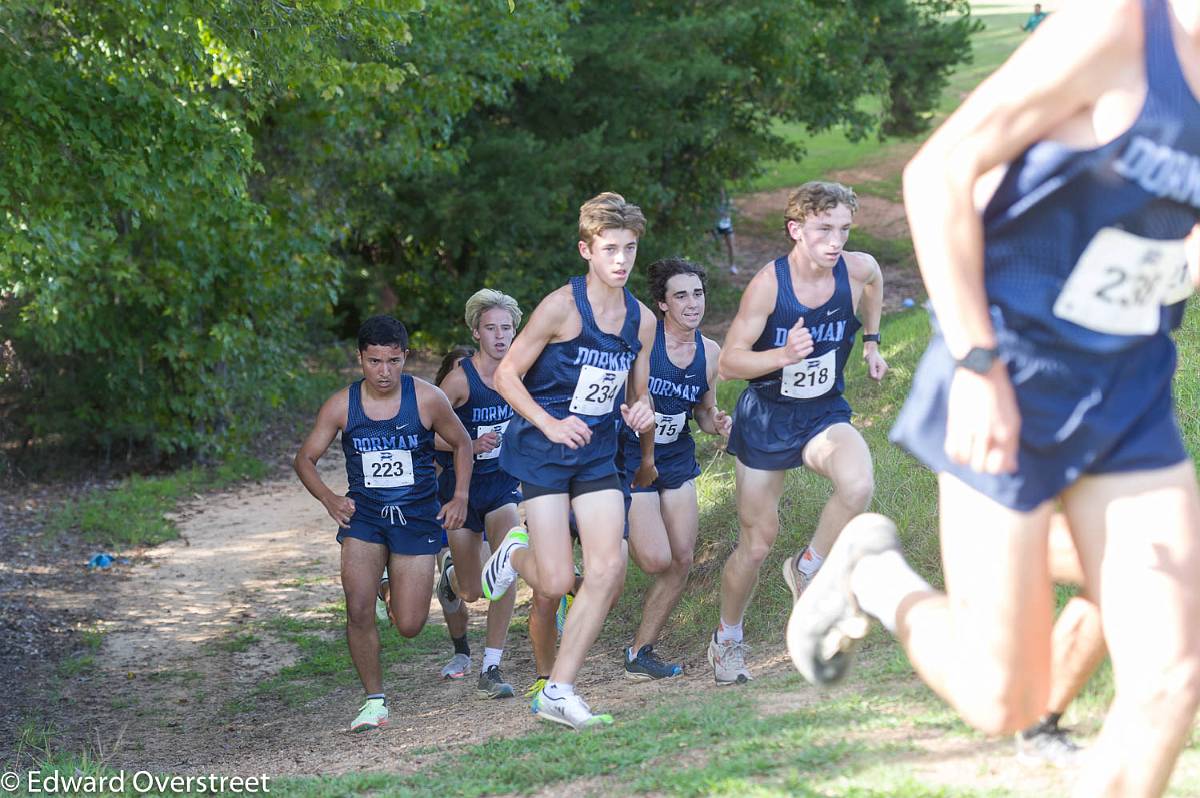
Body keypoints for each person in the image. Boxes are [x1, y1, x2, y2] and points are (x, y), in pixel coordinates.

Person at [788, 3, 1200, 795]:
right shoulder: (1120, 29)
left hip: (1130, 389)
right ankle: (874, 574)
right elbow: (939, 173)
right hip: (1011, 375)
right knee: (1001, 697)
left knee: (1173, 674)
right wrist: (978, 363)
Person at [481, 191, 657, 730]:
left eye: (629, 248)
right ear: (586, 250)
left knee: (608, 568)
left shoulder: (642, 319)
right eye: (609, 249)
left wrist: (641, 411)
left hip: (598, 452)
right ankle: (514, 554)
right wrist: (550, 422)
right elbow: (507, 375)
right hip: (543, 449)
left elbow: (638, 391)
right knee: (555, 582)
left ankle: (559, 689)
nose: (621, 260)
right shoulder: (561, 306)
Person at [708, 181, 887, 685]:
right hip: (767, 417)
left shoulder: (855, 267)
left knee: (857, 485)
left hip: (823, 411)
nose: (835, 241)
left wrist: (871, 342)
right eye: (824, 230)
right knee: (757, 543)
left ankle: (810, 566)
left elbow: (874, 282)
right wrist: (783, 355)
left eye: (844, 230)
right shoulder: (769, 285)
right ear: (796, 230)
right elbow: (728, 363)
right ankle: (728, 638)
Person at [294, 315, 473, 732]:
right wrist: (329, 498)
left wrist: (460, 496)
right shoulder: (342, 404)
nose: (384, 371)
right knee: (357, 609)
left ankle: (389, 585)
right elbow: (305, 459)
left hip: (415, 518)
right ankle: (374, 701)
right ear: (360, 358)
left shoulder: (427, 399)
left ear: (405, 357)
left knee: (409, 626)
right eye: (374, 361)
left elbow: (462, 442)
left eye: (393, 361)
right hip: (366, 520)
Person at [616, 257, 732, 680]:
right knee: (654, 559)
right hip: (632, 458)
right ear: (662, 304)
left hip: (677, 458)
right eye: (680, 295)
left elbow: (703, 412)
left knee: (681, 560)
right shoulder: (646, 343)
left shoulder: (710, 352)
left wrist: (717, 422)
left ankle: (639, 653)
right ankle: (587, 545)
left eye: (697, 293)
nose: (692, 303)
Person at [430, 291, 526, 699]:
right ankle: (451, 580)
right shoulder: (459, 379)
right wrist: (468, 440)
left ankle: (491, 665)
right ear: (476, 332)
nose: (500, 336)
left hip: (503, 485)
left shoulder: (522, 370)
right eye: (491, 328)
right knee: (473, 590)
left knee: (506, 567)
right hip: (459, 491)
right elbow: (425, 432)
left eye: (507, 328)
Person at [713, 189, 738, 274]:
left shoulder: (728, 202)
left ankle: (732, 266)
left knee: (731, 246)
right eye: (719, 192)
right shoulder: (712, 203)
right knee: (717, 246)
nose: (721, 194)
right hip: (715, 226)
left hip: (727, 226)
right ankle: (715, 264)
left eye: (722, 192)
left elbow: (729, 213)